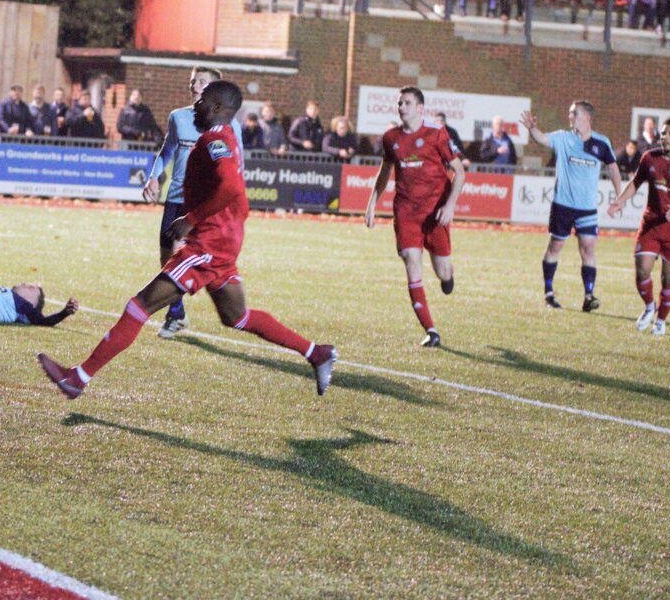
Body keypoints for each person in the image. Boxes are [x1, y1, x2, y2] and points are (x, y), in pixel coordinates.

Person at [37, 80, 338, 399]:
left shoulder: (216, 140)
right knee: (237, 316)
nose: (196, 105)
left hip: (208, 244)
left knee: (139, 306)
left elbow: (233, 189)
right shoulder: (221, 138)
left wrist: (191, 220)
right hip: (221, 242)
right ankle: (317, 353)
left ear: (219, 108)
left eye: (203, 101)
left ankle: (78, 378)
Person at [144, 67, 244, 337]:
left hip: (202, 204)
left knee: (187, 258)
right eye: (192, 80)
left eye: (201, 80)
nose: (194, 84)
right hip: (176, 197)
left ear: (213, 90)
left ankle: (175, 314)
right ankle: (177, 313)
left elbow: (238, 166)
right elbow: (166, 152)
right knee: (167, 257)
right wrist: (154, 178)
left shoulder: (229, 125)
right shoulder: (179, 117)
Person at [365, 86, 466, 348]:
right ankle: (431, 330)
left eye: (407, 103)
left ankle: (448, 276)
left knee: (442, 271)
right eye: (400, 103)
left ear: (420, 108)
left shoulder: (436, 133)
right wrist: (372, 204)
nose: (402, 107)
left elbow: (459, 171)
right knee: (411, 261)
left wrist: (451, 205)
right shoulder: (390, 138)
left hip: (436, 212)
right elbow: (384, 171)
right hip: (406, 212)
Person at [519, 102, 622, 311]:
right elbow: (542, 138)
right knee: (555, 247)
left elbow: (612, 168)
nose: (570, 116)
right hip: (563, 206)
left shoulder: (601, 143)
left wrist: (619, 195)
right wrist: (531, 128)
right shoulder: (563, 138)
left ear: (586, 117)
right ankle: (548, 293)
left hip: (587, 208)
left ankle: (589, 296)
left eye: (573, 113)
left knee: (588, 248)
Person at [608, 118, 670, 336]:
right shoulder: (649, 158)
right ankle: (650, 306)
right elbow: (636, 182)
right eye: (662, 133)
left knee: (668, 278)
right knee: (642, 270)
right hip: (651, 224)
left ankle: (661, 320)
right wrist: (620, 201)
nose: (664, 137)